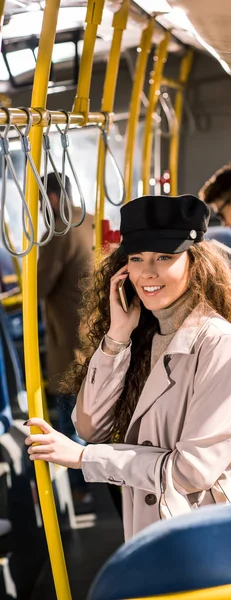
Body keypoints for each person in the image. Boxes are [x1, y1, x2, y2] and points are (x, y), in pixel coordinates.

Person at [25, 194, 231, 539]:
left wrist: (86, 459)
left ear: (193, 262)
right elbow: (90, 425)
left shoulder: (218, 342)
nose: (147, 272)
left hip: (205, 530)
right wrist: (117, 336)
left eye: (164, 257)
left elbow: (192, 471)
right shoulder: (140, 334)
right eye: (137, 258)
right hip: (152, 530)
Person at [37, 172, 94, 508]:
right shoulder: (85, 219)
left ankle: (80, 492)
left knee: (68, 422)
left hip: (71, 347)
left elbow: (39, 287)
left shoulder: (58, 233)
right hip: (94, 338)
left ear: (52, 199)